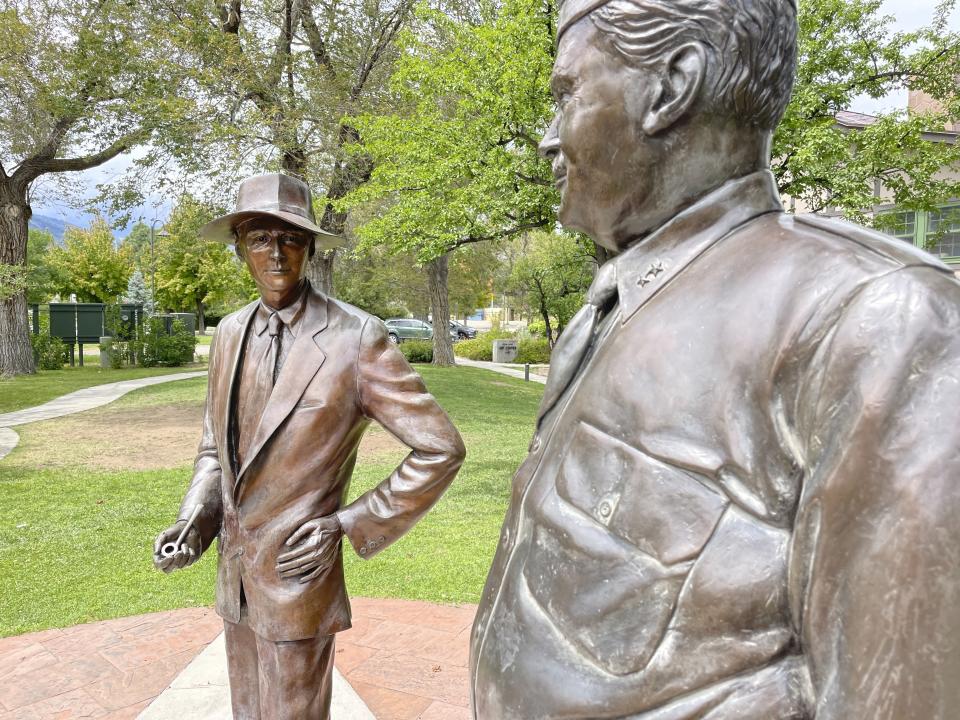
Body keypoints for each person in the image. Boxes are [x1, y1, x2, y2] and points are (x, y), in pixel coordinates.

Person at [469, 0, 960, 717]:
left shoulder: (878, 321)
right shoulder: (615, 301)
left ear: (673, 86)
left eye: (567, 93)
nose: (548, 137)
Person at [153, 172, 466, 720]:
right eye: (259, 238)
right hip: (237, 578)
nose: (275, 253)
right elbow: (214, 449)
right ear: (240, 250)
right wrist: (192, 522)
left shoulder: (356, 338)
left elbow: (440, 448)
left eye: (290, 238)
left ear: (311, 249)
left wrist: (347, 523)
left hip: (299, 578)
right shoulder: (228, 333)